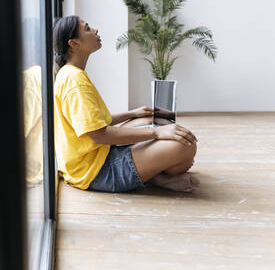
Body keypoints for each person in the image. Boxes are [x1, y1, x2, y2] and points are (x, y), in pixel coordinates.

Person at [53, 15, 200, 193]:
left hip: (98, 156)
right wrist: (157, 132)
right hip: (96, 172)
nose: (95, 31)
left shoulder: (70, 74)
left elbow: (95, 123)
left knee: (149, 120)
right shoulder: (74, 80)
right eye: (88, 28)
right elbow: (99, 135)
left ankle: (156, 176)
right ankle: (156, 176)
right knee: (185, 146)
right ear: (74, 44)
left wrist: (133, 114)